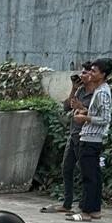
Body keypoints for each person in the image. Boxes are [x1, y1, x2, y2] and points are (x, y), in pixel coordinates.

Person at [41, 63, 93, 214]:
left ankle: (84, 205)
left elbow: (95, 114)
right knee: (66, 169)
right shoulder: (81, 90)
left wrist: (81, 105)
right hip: (73, 135)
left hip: (86, 137)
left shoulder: (97, 93)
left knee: (85, 172)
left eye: (85, 73)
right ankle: (67, 203)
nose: (82, 75)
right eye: (81, 72)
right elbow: (67, 107)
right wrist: (74, 89)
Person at [67, 57, 112, 221]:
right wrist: (84, 111)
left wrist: (84, 119)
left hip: (92, 138)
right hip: (89, 137)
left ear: (103, 74)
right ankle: (94, 210)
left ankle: (87, 212)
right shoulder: (100, 90)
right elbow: (98, 114)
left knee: (89, 176)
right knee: (92, 175)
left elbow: (105, 118)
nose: (90, 73)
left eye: (94, 71)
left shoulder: (102, 92)